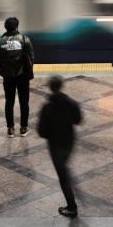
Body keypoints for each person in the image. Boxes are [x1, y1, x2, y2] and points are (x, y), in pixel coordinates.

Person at [37, 76, 83, 218]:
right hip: (69, 141)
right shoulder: (71, 103)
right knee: (64, 167)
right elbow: (78, 120)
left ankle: (72, 207)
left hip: (55, 145)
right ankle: (66, 173)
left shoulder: (47, 107)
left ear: (51, 88)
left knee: (63, 177)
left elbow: (41, 131)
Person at [0, 16, 34, 137]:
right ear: (17, 26)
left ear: (6, 27)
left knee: (9, 102)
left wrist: (2, 72)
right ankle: (23, 128)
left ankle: (10, 129)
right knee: (24, 102)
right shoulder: (24, 39)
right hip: (23, 76)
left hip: (8, 77)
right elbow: (31, 57)